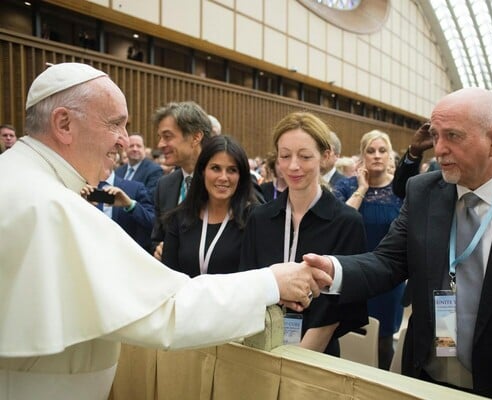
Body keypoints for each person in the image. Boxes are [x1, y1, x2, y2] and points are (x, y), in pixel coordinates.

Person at [0, 62, 331, 399]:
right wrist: (271, 282)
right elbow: (167, 309)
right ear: (64, 123)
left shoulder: (20, 180)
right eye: (115, 124)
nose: (125, 141)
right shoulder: (51, 205)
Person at [304, 87, 492, 399]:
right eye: (435, 135)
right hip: (427, 379)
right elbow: (388, 261)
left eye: (453, 136)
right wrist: (333, 270)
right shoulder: (423, 192)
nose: (439, 149)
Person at [240, 112, 368, 356]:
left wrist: (298, 359)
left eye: (305, 156)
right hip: (261, 346)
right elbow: (249, 281)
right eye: (285, 156)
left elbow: (338, 306)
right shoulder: (260, 218)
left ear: (326, 156)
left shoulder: (346, 222)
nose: (293, 166)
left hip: (316, 354)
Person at [333, 129, 405, 370]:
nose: (377, 156)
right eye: (371, 151)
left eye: (382, 150)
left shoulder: (401, 190)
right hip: (354, 274)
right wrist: (362, 188)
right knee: (348, 334)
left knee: (384, 341)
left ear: (390, 156)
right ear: (362, 156)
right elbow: (340, 222)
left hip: (389, 278)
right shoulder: (347, 186)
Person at [162, 135, 258, 276]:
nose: (223, 177)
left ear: (241, 176)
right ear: (202, 172)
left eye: (232, 170)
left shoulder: (254, 219)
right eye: (215, 168)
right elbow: (169, 277)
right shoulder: (178, 218)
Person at [151, 101, 212, 258]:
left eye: (167, 136)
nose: (160, 144)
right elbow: (156, 237)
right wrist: (159, 249)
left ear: (196, 137)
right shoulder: (164, 186)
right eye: (160, 137)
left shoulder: (225, 182)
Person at [82, 150, 156, 253]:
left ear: (115, 158)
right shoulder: (80, 188)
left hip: (127, 257)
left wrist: (130, 205)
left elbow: (152, 223)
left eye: (108, 154)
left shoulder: (134, 188)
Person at [115, 133, 163, 197]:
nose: (135, 149)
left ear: (144, 149)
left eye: (138, 146)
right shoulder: (118, 171)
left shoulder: (154, 170)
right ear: (125, 149)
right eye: (131, 146)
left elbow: (149, 198)